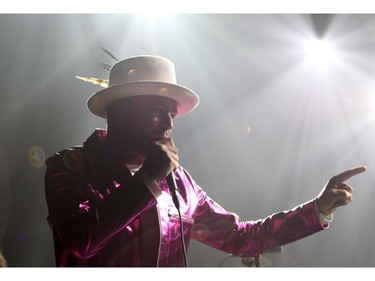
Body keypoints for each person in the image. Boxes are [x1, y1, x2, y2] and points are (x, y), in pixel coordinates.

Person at [44, 55, 367, 267]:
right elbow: (79, 243)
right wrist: (148, 179)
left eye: (172, 115)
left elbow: (239, 238)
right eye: (157, 114)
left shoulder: (180, 182)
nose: (169, 126)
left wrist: (318, 209)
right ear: (120, 112)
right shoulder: (72, 166)